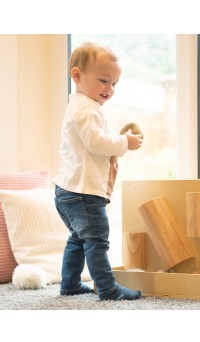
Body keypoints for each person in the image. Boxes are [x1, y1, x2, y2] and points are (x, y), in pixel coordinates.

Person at [52, 42, 143, 301]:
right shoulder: (86, 109)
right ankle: (108, 288)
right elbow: (96, 142)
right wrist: (126, 142)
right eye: (104, 80)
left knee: (79, 239)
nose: (109, 89)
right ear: (77, 75)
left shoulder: (80, 106)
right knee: (97, 242)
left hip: (68, 191)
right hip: (83, 194)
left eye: (114, 83)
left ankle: (69, 284)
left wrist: (117, 139)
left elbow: (93, 142)